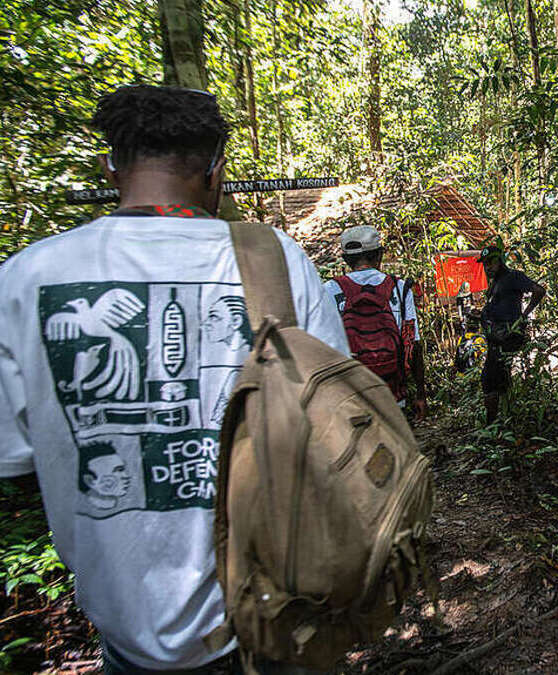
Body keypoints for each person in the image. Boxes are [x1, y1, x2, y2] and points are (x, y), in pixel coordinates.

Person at [0, 85, 348, 673]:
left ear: (109, 166)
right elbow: (335, 427)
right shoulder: (277, 260)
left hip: (124, 632)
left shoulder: (26, 278)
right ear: (216, 170)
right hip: (267, 617)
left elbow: (14, 455)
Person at [324, 225, 427, 420]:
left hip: (349, 399)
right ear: (379, 256)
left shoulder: (329, 289)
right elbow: (414, 344)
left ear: (346, 260)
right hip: (393, 396)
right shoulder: (400, 288)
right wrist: (420, 395)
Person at [474, 238, 545, 424]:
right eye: (485, 265)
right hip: (496, 338)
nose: (487, 267)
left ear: (499, 261)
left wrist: (524, 316)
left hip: (506, 337)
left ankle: (493, 426)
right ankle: (505, 421)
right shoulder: (495, 283)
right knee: (499, 381)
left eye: (491, 263)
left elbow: (538, 290)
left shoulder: (513, 277)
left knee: (490, 381)